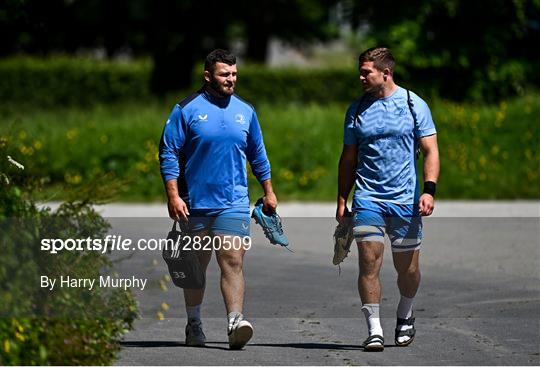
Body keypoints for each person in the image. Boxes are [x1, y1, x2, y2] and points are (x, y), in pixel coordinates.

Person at [159, 49, 278, 349]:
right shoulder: (185, 110)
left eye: (235, 74)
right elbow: (169, 153)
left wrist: (269, 190)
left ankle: (235, 321)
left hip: (234, 201)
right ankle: (194, 323)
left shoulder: (245, 110)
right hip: (195, 202)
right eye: (225, 74)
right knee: (196, 268)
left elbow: (258, 154)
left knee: (233, 261)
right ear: (208, 75)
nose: (231, 79)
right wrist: (173, 195)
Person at [336, 47, 440, 351]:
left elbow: (431, 150)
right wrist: (343, 199)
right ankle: (374, 329)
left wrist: (429, 190)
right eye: (361, 71)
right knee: (368, 262)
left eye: (366, 71)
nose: (361, 77)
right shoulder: (356, 110)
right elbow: (348, 159)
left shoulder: (412, 104)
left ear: (386, 72)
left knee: (407, 270)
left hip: (405, 200)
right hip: (368, 198)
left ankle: (405, 314)